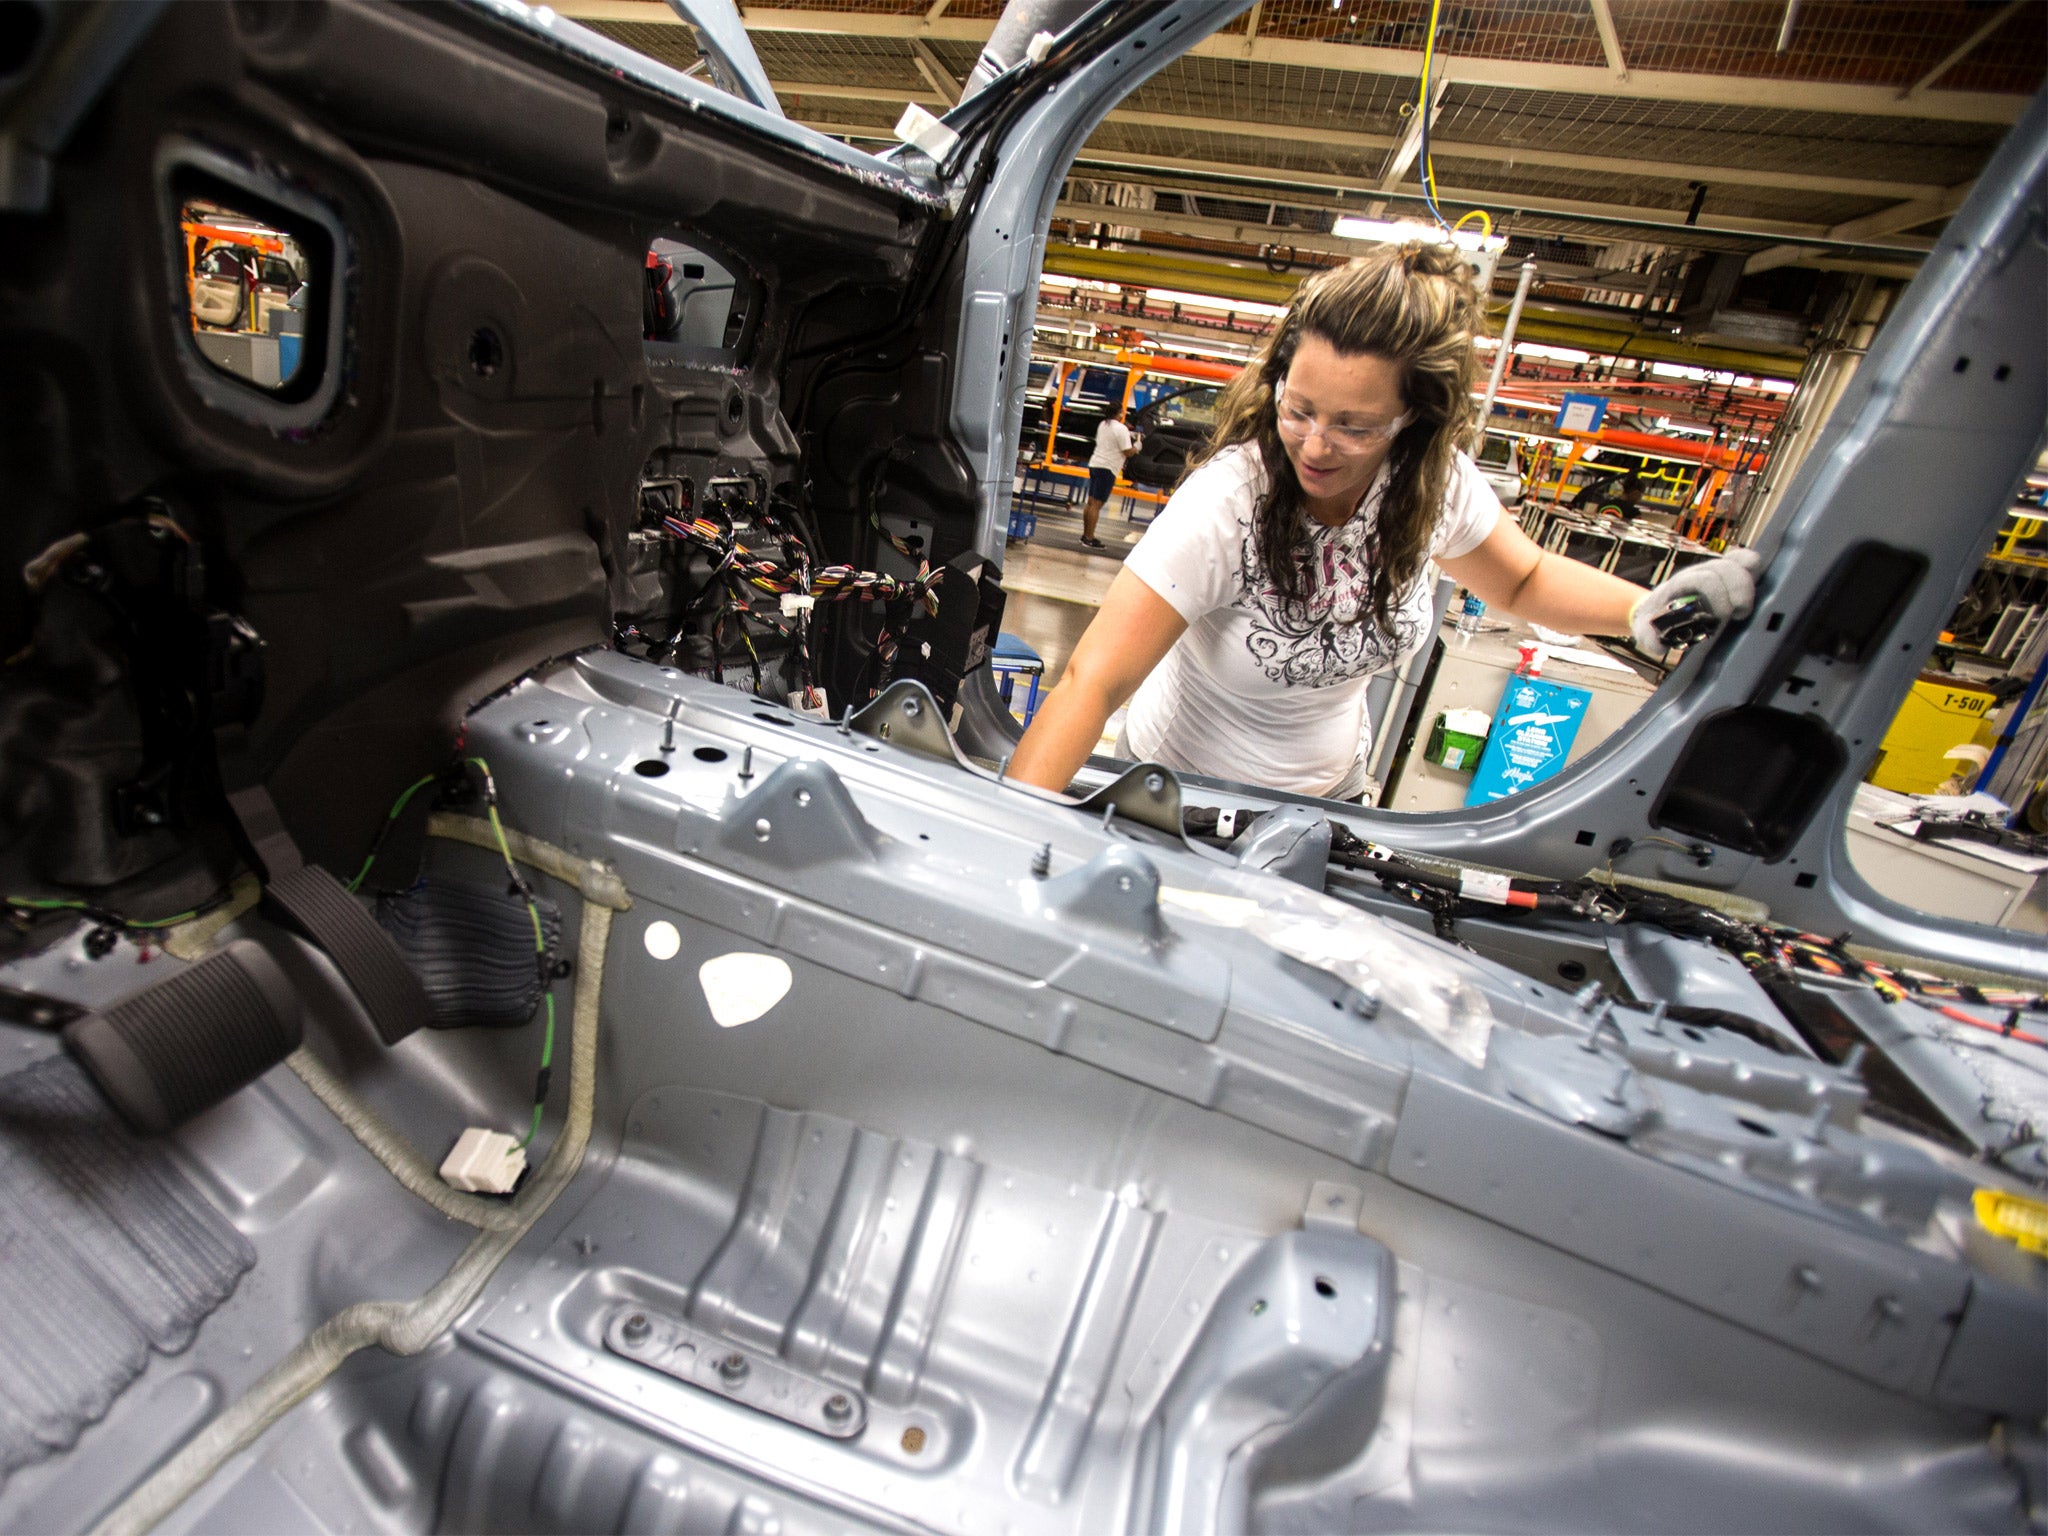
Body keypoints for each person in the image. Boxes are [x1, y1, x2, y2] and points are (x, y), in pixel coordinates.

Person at [1008, 244, 1758, 799]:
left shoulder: (1431, 487)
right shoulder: (1229, 501)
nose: (1316, 444)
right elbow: (1091, 682)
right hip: (1175, 795)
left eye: (1355, 425)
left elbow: (1524, 579)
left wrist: (1642, 609)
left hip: (1330, 800)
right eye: (1297, 410)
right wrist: (1010, 835)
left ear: (1413, 420)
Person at [1080, 402, 1139, 550]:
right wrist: (1137, 446)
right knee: (1097, 504)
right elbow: (1127, 451)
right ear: (1119, 413)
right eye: (1122, 412)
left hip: (1095, 464)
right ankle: (1089, 538)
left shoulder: (1103, 424)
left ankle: (1086, 535)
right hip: (1107, 468)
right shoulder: (1121, 428)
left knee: (1091, 502)